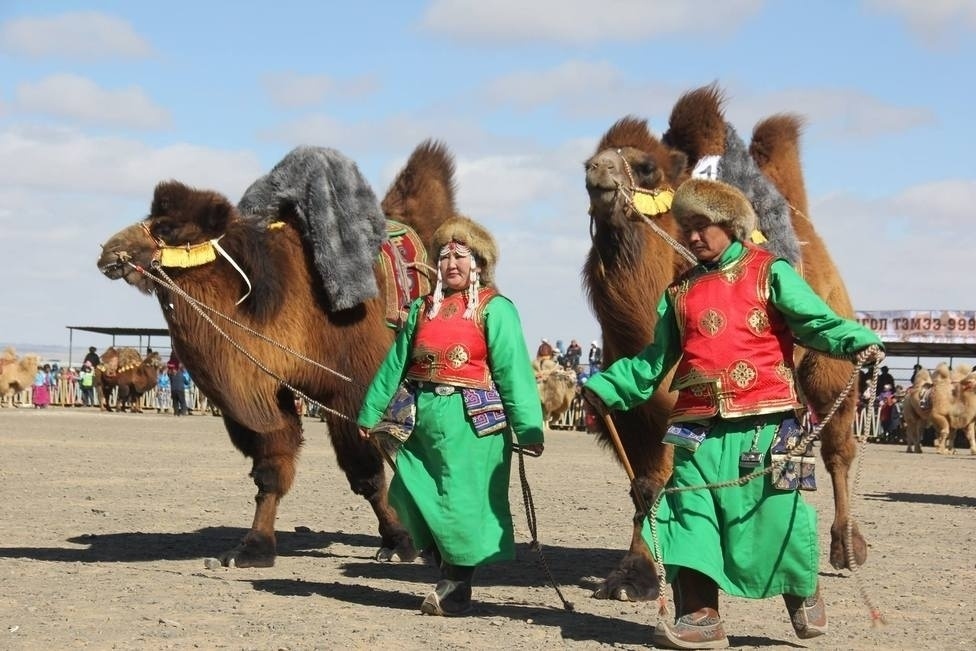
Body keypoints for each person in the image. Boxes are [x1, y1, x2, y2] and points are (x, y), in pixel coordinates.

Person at [581, 178, 883, 649]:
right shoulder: (680, 293)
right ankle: (701, 617)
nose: (693, 236)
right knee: (687, 516)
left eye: (703, 225)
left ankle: (801, 588)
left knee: (774, 518)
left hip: (766, 424)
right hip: (696, 429)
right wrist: (607, 386)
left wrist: (857, 342)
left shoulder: (770, 273)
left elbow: (816, 322)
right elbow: (653, 361)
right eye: (687, 227)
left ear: (731, 225)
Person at [357, 215, 544, 616]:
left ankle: (456, 587)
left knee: (460, 504)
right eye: (444, 256)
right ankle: (448, 569)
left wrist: (529, 428)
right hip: (421, 421)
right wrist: (370, 411)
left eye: (461, 256)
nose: (451, 263)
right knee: (409, 492)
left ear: (479, 263)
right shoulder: (422, 308)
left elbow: (513, 371)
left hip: (471, 424)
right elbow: (395, 364)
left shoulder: (496, 309)